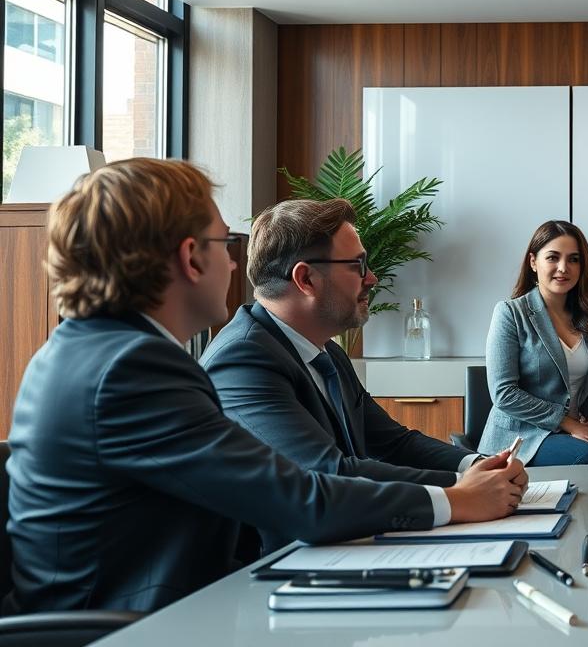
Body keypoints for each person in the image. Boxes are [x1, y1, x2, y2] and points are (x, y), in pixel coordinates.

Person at [5, 159, 523, 613]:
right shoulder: (132, 369)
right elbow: (299, 496)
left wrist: (463, 481)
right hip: (133, 627)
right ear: (190, 257)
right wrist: (456, 501)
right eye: (224, 243)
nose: (235, 263)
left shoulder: (104, 351)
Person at [202, 198, 527, 552]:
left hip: (342, 543)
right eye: (358, 265)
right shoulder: (243, 359)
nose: (372, 278)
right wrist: (461, 490)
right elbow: (327, 472)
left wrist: (479, 464)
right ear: (306, 278)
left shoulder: (326, 351)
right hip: (272, 570)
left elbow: (394, 442)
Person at [480, 220, 588, 466]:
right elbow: (504, 393)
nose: (563, 268)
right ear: (533, 262)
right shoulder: (510, 313)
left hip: (573, 433)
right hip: (522, 438)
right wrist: (568, 423)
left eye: (573, 259)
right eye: (553, 258)